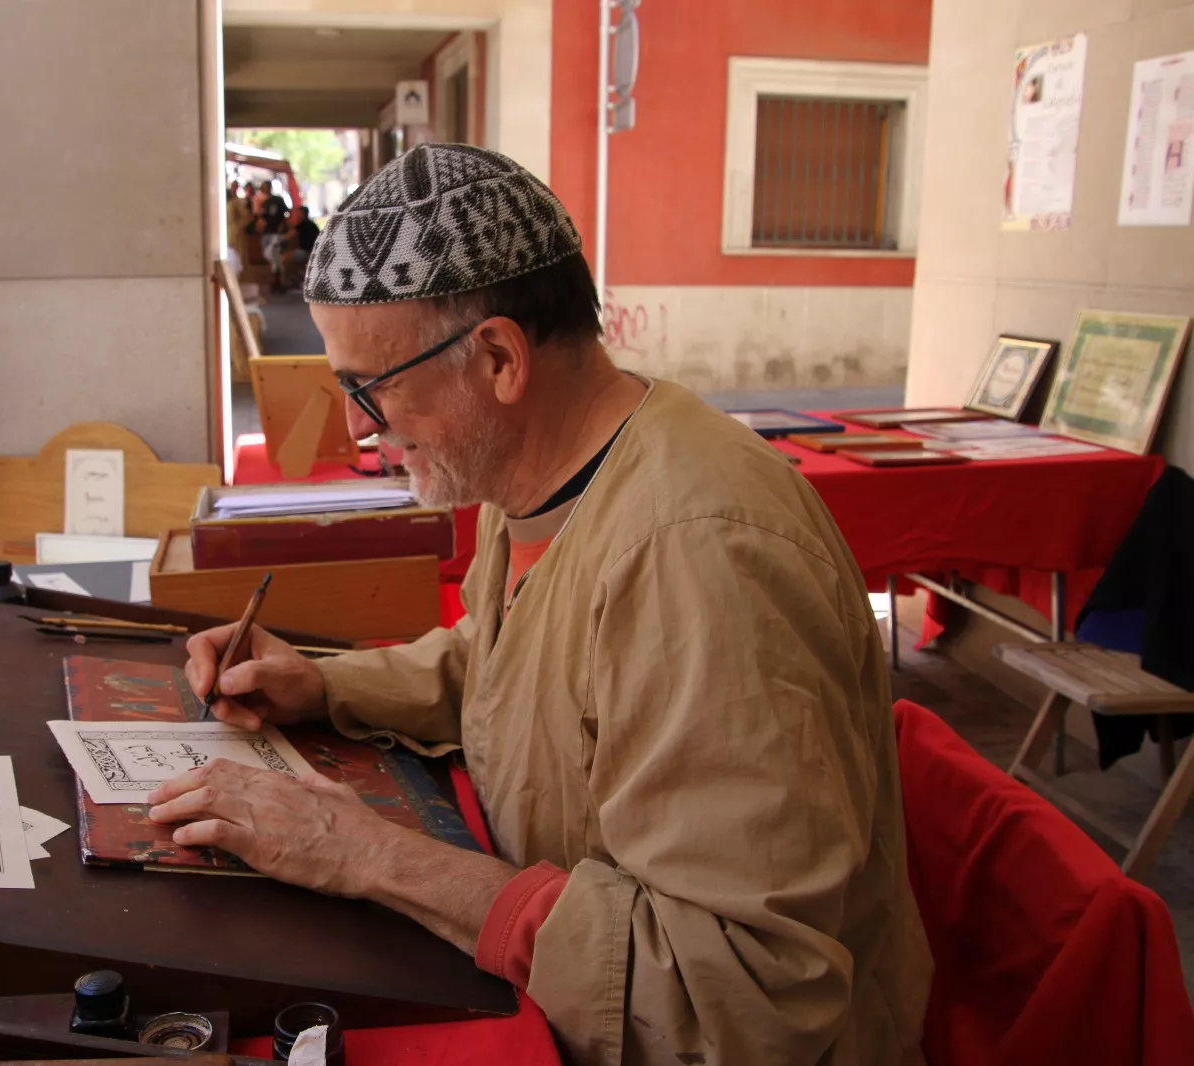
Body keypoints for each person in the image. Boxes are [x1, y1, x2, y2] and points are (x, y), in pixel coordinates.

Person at [154, 145, 930, 1065]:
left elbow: (740, 994)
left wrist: (372, 856)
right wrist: (320, 685)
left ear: (496, 357)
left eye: (371, 387)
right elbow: (513, 664)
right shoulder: (540, 473)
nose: (359, 426)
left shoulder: (703, 557)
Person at [258, 182, 290, 291]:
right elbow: (262, 216)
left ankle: (278, 282)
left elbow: (287, 212)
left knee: (275, 256)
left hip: (276, 232)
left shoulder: (278, 200)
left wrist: (283, 224)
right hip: (266, 232)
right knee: (268, 255)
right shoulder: (263, 202)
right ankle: (276, 280)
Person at [225, 181, 252, 260]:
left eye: (235, 186)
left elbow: (247, 216)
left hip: (235, 231)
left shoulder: (238, 202)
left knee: (237, 253)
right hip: (228, 230)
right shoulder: (227, 202)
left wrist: (238, 226)